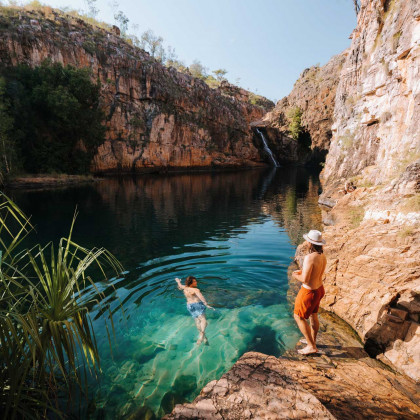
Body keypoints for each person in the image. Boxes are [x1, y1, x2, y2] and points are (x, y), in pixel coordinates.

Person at [292, 230, 327, 355]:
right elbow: (314, 272)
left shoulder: (309, 257)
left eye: (307, 240)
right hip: (319, 289)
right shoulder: (321, 255)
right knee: (313, 315)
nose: (305, 242)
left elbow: (305, 279)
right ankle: (312, 341)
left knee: (298, 317)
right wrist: (302, 271)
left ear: (310, 243)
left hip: (309, 292)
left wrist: (294, 275)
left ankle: (311, 346)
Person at [175, 276, 214, 345]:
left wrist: (178, 281)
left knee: (197, 320)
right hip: (197, 305)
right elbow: (201, 297)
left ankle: (203, 337)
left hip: (189, 306)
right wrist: (206, 305)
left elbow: (180, 286)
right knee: (203, 320)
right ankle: (202, 334)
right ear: (191, 283)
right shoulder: (196, 290)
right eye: (194, 281)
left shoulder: (185, 288)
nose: (196, 282)